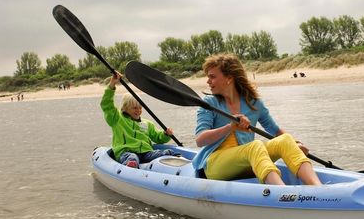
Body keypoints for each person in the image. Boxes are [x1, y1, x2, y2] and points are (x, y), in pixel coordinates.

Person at [192, 54, 321, 186]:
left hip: (247, 161)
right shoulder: (209, 103)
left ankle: (318, 188)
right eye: (208, 77)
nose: (208, 81)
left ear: (229, 78)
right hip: (214, 165)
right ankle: (283, 193)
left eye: (212, 77)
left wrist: (296, 144)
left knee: (286, 139)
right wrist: (230, 127)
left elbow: (275, 130)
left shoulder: (253, 103)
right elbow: (200, 140)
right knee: (255, 146)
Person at [101, 72, 177, 168]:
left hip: (146, 153)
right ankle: (130, 167)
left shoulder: (147, 123)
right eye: (134, 108)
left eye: (140, 107)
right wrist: (112, 85)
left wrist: (166, 134)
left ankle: (176, 160)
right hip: (126, 152)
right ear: (125, 108)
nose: (138, 111)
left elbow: (158, 138)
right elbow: (107, 105)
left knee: (165, 153)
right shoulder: (117, 119)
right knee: (132, 158)